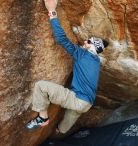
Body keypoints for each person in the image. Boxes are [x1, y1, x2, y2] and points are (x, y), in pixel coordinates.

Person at [26, 0, 109, 134]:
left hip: (78, 100)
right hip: (87, 103)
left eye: (88, 41)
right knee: (70, 117)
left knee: (40, 86)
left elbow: (62, 39)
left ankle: (43, 118)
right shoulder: (95, 61)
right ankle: (60, 131)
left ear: (93, 47)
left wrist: (52, 11)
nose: (84, 42)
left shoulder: (83, 54)